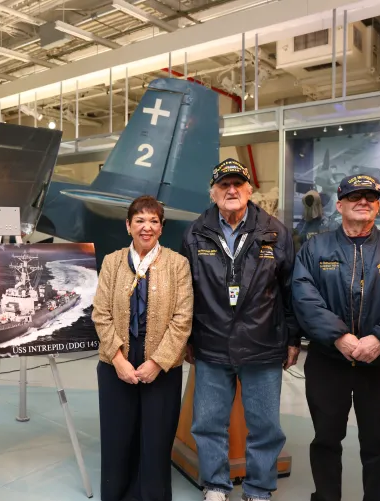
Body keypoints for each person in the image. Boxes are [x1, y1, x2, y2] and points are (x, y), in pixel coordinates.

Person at [292, 174, 380, 501]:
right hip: (329, 363)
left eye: (371, 197)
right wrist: (339, 336)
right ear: (339, 205)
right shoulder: (315, 248)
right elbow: (303, 297)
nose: (364, 201)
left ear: (378, 205)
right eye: (355, 196)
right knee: (326, 441)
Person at [179, 158, 300, 501]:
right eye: (223, 185)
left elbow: (291, 291)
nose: (231, 190)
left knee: (265, 426)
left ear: (249, 190)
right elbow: (184, 292)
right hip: (211, 344)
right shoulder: (193, 233)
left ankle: (259, 488)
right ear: (213, 192)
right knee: (207, 423)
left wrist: (292, 338)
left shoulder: (276, 233)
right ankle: (215, 484)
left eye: (237, 184)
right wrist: (188, 338)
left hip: (262, 344)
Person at [91, 195, 193, 501]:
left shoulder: (178, 264)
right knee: (118, 435)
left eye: (153, 221)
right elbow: (101, 313)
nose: (146, 227)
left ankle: (152, 495)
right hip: (117, 360)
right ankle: (117, 493)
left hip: (162, 363)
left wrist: (158, 362)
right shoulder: (112, 261)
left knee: (156, 438)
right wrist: (118, 359)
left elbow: (182, 318)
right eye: (139, 221)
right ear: (128, 226)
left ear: (162, 227)